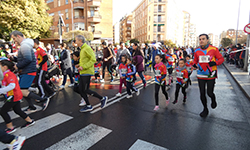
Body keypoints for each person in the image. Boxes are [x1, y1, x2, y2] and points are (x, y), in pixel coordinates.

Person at [11, 31, 49, 112]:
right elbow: (24, 59)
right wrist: (13, 59)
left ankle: (43, 99)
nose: (14, 41)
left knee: (22, 90)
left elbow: (28, 59)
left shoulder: (25, 46)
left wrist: (17, 66)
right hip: (26, 71)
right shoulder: (25, 45)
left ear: (18, 36)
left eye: (14, 38)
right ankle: (31, 106)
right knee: (24, 90)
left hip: (29, 71)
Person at [193, 34, 224, 117]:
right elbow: (195, 60)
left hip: (211, 74)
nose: (201, 41)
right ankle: (205, 109)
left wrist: (215, 63)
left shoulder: (214, 49)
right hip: (201, 74)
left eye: (203, 39)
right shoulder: (196, 50)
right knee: (202, 93)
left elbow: (221, 59)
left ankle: (213, 99)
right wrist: (194, 65)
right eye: (200, 39)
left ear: (207, 40)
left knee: (209, 93)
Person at [0, 60, 35, 134]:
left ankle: (10, 128)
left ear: (5, 67)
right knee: (17, 110)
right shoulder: (5, 74)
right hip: (14, 95)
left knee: (3, 111)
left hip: (13, 96)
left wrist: (1, 91)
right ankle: (30, 121)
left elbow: (12, 85)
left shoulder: (9, 74)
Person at [75, 35, 108, 112]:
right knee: (80, 89)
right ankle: (88, 105)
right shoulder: (82, 49)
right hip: (83, 72)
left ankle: (102, 98)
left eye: (76, 40)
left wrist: (83, 67)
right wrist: (79, 65)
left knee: (85, 90)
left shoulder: (87, 48)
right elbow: (84, 60)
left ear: (80, 40)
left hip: (87, 72)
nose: (75, 42)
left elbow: (93, 59)